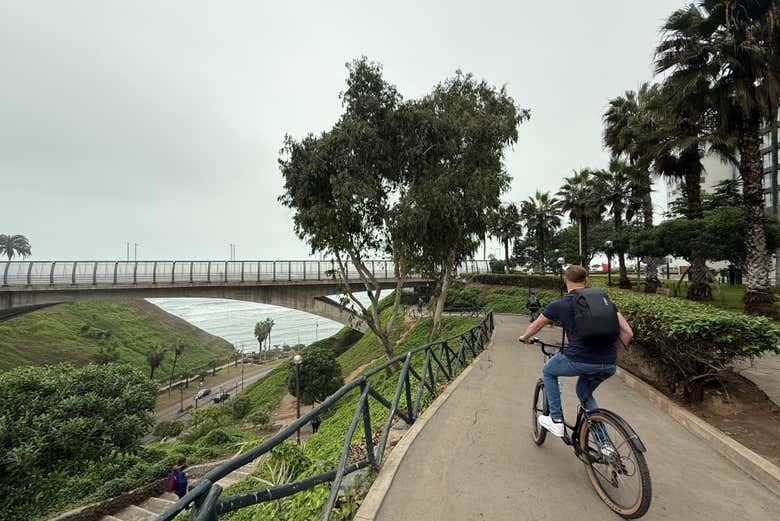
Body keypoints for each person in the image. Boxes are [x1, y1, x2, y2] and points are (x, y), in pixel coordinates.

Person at [518, 265, 633, 439]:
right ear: (585, 280)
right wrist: (612, 354)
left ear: (565, 279)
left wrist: (524, 338)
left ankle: (556, 420)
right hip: (608, 363)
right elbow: (628, 333)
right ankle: (605, 445)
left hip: (578, 359)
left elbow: (536, 325)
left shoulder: (560, 303)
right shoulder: (605, 301)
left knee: (548, 371)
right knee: (584, 394)